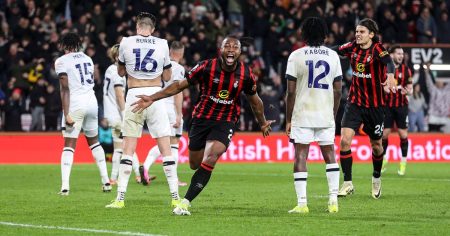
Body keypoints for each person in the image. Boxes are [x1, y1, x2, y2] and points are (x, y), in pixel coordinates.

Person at [131, 36, 274, 215]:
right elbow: (179, 86)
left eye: (235, 47)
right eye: (227, 46)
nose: (231, 49)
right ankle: (199, 171)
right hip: (201, 119)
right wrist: (152, 97)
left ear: (240, 52)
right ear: (220, 50)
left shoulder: (246, 74)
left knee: (213, 156)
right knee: (194, 164)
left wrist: (262, 123)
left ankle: (185, 202)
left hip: (226, 120)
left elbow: (255, 101)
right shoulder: (206, 67)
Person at [106, 12, 179, 209]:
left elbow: (121, 72)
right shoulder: (163, 43)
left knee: (128, 148)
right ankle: (175, 197)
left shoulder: (126, 42)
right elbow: (167, 75)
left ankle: (120, 199)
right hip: (155, 96)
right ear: (153, 29)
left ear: (137, 26)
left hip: (134, 95)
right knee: (166, 148)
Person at [334, 18, 397, 199]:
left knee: (376, 146)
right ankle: (347, 183)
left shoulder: (377, 48)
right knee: (345, 141)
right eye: (357, 31)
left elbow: (389, 62)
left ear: (371, 34)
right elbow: (336, 50)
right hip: (354, 103)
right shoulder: (352, 47)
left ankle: (376, 178)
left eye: (362, 32)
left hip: (375, 107)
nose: (358, 35)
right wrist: (317, 50)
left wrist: (391, 75)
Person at [285, 17, 342, 214]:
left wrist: (288, 119)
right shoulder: (333, 56)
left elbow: (290, 92)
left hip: (302, 114)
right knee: (330, 155)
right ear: (325, 35)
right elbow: (338, 90)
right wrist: (332, 114)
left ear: (304, 34)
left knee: (301, 155)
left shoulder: (295, 56)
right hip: (325, 113)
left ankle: (302, 204)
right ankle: (333, 200)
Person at [55, 32, 111, 196]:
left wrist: (66, 114)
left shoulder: (61, 61)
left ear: (64, 45)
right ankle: (106, 181)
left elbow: (65, 88)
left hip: (76, 104)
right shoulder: (87, 58)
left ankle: (65, 186)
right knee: (94, 142)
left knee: (69, 145)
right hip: (92, 103)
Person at [140, 41, 187, 187]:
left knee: (163, 141)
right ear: (181, 53)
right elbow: (178, 92)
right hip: (170, 108)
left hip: (156, 105)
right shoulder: (178, 68)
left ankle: (145, 167)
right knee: (173, 144)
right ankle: (173, 178)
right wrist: (179, 114)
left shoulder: (160, 66)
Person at [103, 44, 141, 185]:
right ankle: (138, 174)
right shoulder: (117, 72)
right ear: (118, 56)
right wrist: (125, 114)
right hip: (118, 115)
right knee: (127, 145)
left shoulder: (109, 70)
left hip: (111, 114)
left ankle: (114, 178)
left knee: (120, 147)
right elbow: (119, 95)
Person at [381, 45, 413, 176]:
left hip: (401, 106)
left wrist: (408, 91)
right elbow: (381, 86)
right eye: (398, 53)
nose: (401, 56)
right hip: (387, 106)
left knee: (403, 135)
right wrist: (384, 89)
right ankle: (384, 159)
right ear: (392, 54)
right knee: (384, 135)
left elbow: (410, 89)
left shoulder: (406, 70)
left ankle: (403, 162)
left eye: (402, 54)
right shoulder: (384, 69)